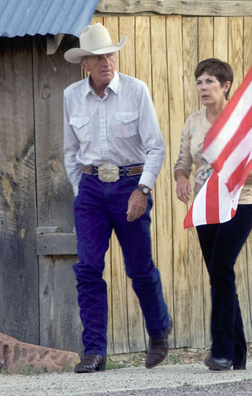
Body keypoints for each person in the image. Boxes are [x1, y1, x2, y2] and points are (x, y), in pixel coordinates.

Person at [63, 23, 172, 373]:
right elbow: (70, 151)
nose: (106, 61)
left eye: (110, 54)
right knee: (88, 269)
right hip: (92, 188)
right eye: (98, 57)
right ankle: (94, 351)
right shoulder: (70, 97)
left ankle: (158, 331)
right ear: (86, 64)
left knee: (139, 269)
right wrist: (82, 191)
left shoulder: (136, 91)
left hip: (130, 184)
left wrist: (143, 188)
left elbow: (156, 146)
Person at [174, 58, 252, 371]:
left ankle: (220, 349)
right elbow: (183, 162)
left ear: (225, 86)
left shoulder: (245, 122)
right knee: (220, 274)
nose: (203, 87)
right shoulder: (193, 122)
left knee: (220, 267)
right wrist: (181, 178)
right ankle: (237, 354)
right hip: (206, 206)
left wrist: (237, 170)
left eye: (210, 82)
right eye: (199, 82)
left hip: (240, 203)